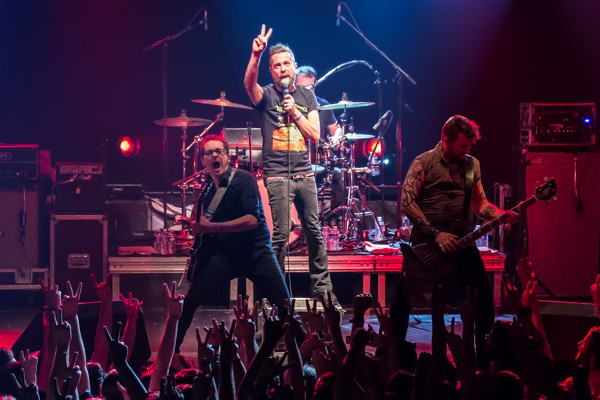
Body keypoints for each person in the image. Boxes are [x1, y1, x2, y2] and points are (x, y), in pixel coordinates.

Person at [396, 115, 520, 360]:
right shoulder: (423, 163)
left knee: (482, 296)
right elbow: (407, 203)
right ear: (446, 140)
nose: (467, 151)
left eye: (470, 146)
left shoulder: (472, 165)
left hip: (462, 244)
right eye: (463, 146)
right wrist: (435, 233)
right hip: (426, 244)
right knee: (402, 300)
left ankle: (484, 356)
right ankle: (393, 353)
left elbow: (480, 205)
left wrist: (502, 215)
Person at [243, 25, 336, 300]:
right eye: (276, 65)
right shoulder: (268, 95)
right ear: (271, 71)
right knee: (281, 236)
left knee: (314, 232)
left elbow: (316, 135)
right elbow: (249, 84)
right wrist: (256, 56)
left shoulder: (308, 97)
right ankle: (274, 292)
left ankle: (323, 290)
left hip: (304, 174)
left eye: (286, 63)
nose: (282, 68)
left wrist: (295, 111)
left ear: (294, 66)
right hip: (277, 175)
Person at [175, 134, 292, 352]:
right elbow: (203, 222)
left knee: (285, 306)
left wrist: (212, 227)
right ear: (203, 161)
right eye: (209, 153)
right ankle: (171, 354)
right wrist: (193, 225)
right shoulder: (207, 189)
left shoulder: (244, 179)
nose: (214, 156)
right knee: (190, 300)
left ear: (228, 157)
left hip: (256, 253)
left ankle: (306, 354)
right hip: (226, 256)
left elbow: (251, 220)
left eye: (219, 151)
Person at [295, 65, 344, 217]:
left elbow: (336, 128)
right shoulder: (289, 105)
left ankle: (333, 220)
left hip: (318, 161)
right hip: (294, 160)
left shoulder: (324, 105)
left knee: (339, 174)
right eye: (302, 87)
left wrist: (336, 137)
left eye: (310, 87)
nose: (307, 91)